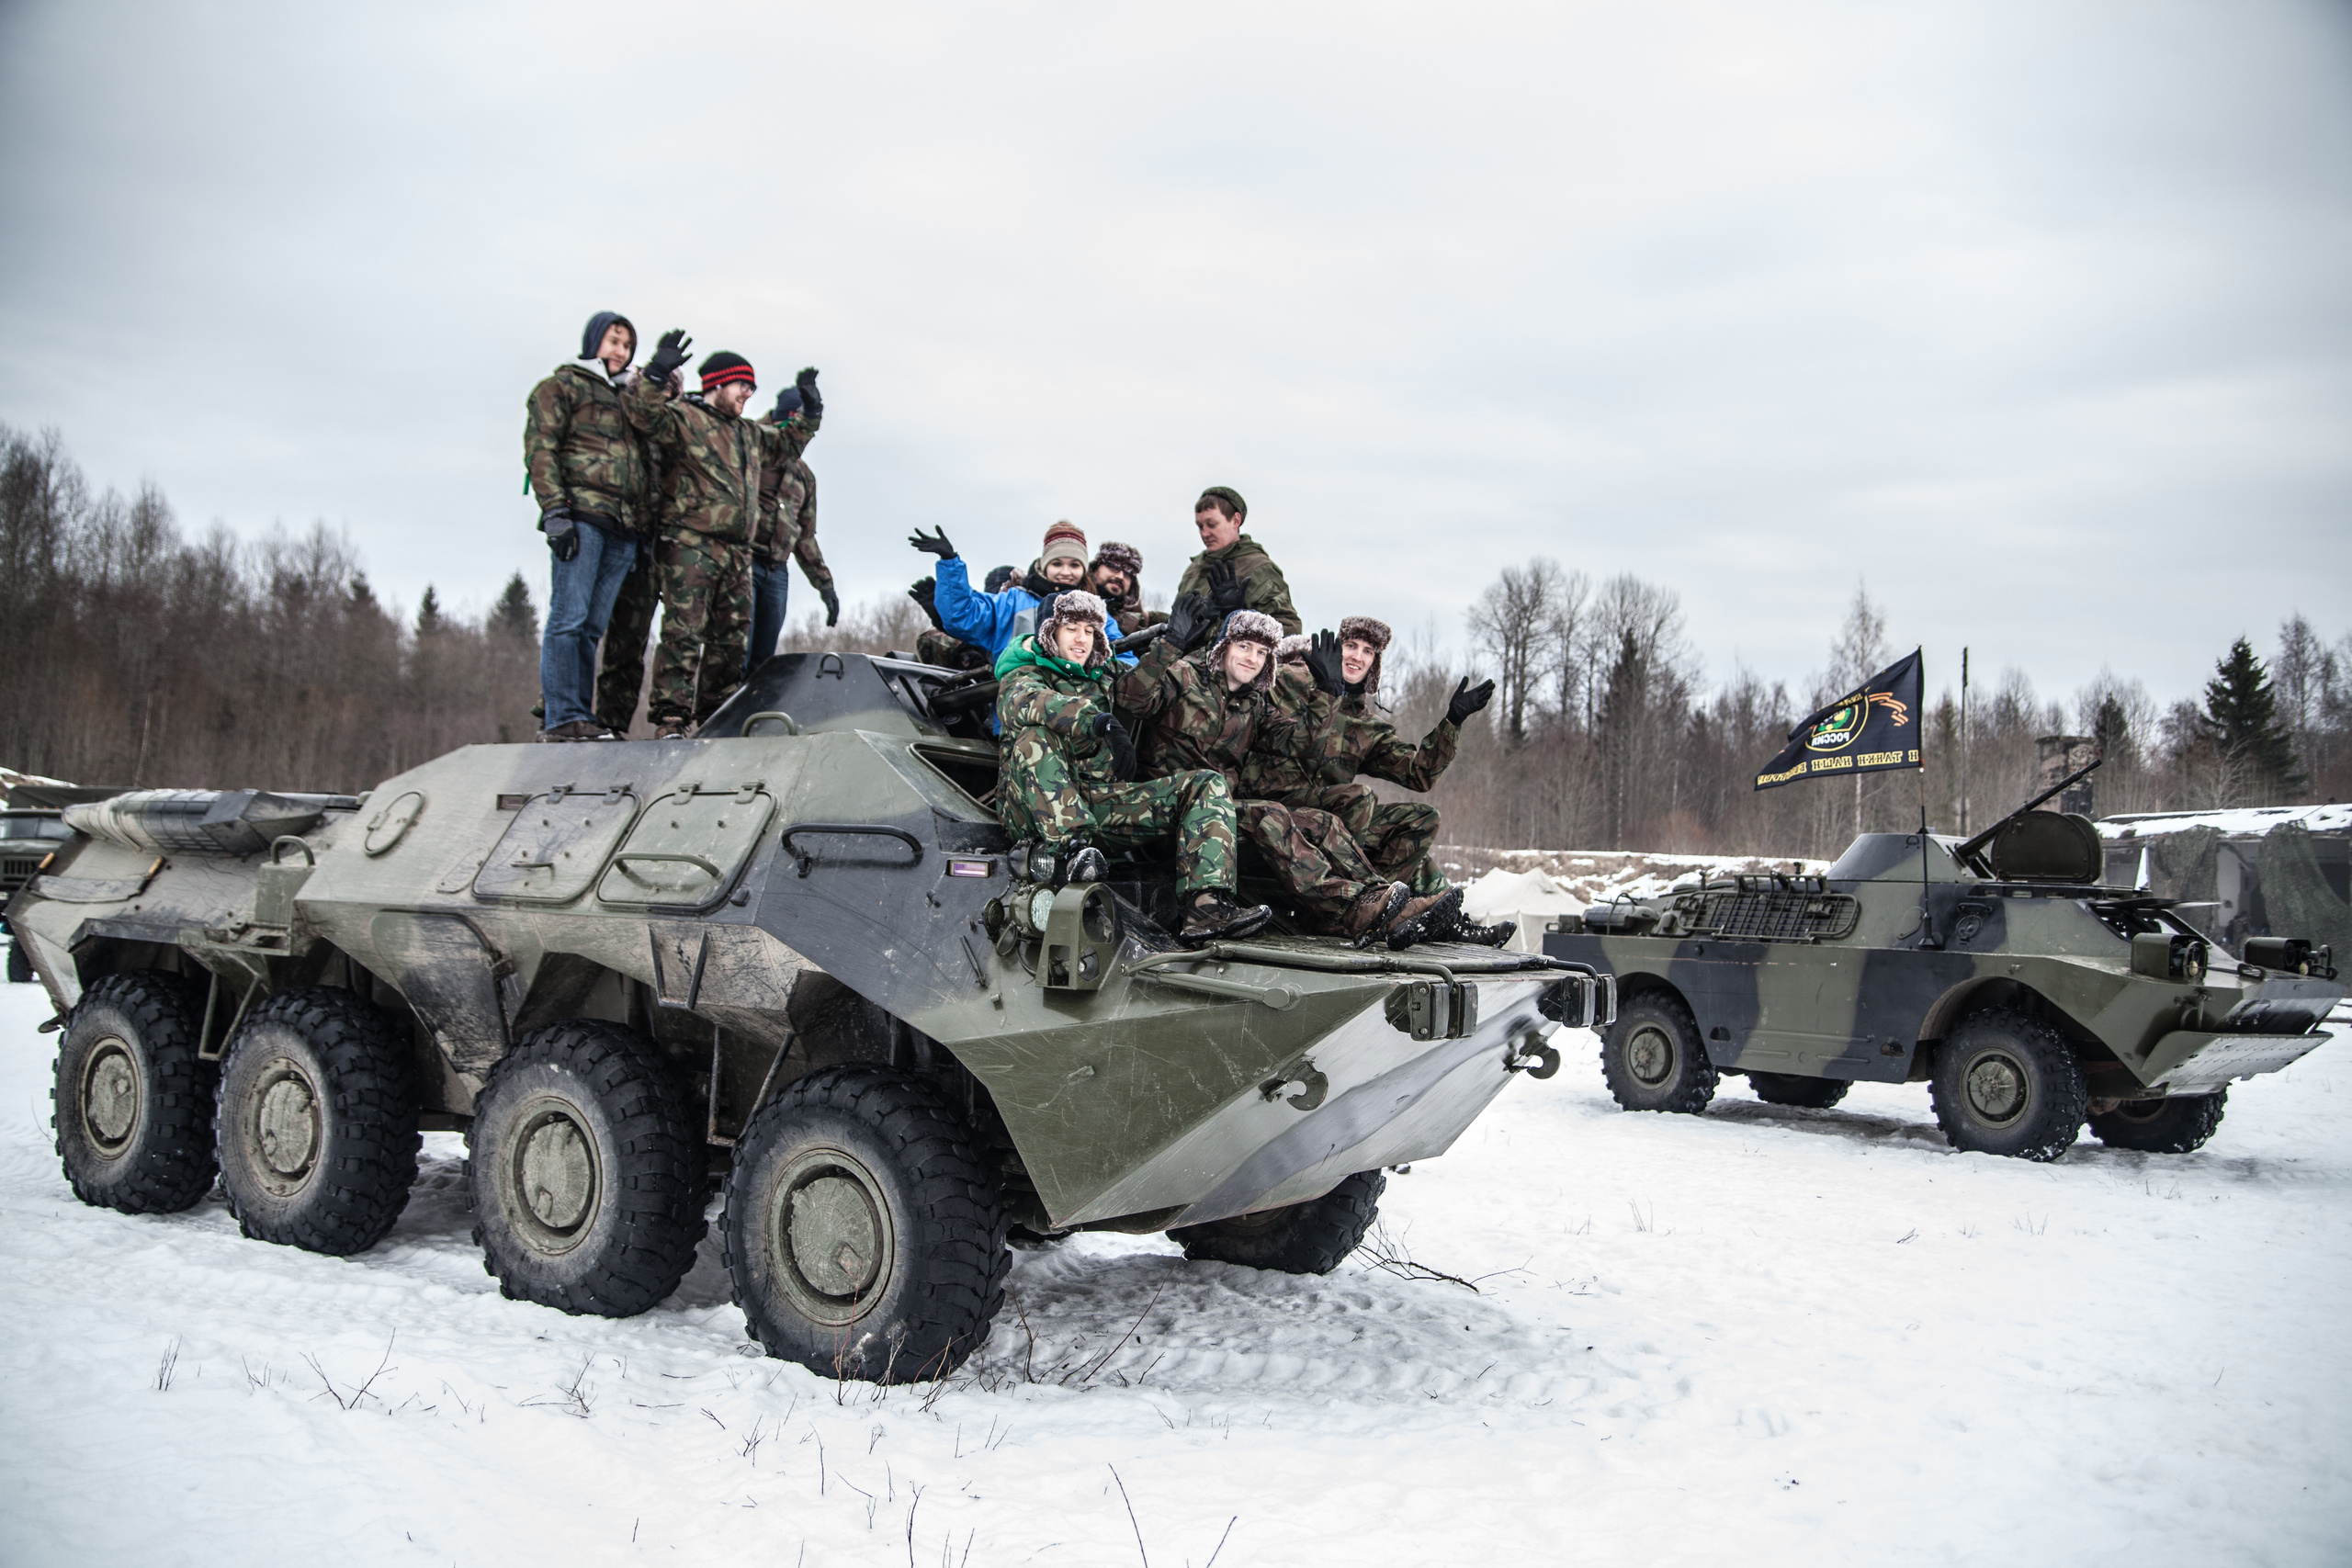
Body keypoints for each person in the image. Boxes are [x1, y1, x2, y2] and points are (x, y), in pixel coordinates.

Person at [1119, 599, 1458, 948]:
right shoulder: (1186, 677)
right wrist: (1170, 644)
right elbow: (1131, 700)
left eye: (1262, 653)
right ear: (1224, 647)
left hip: (1221, 812)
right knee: (1272, 814)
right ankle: (1348, 905)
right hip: (1172, 811)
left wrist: (1327, 694)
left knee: (1322, 822)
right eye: (1244, 646)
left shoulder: (1254, 705)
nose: (1252, 658)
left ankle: (1379, 901)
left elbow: (1301, 743)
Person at [994, 590, 1271, 944]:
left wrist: (1178, 642)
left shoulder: (1104, 672)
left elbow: (1140, 688)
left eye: (1090, 631)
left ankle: (1206, 907)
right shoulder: (1023, 672)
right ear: (1051, 633)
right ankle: (1073, 852)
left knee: (1205, 784)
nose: (1081, 639)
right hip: (1033, 812)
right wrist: (1097, 721)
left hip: (1096, 805)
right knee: (1035, 738)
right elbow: (1022, 704)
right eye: (1071, 628)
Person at [1247, 615, 1506, 943]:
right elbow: (1245, 697)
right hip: (1275, 806)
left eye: (1368, 651)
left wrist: (1452, 721)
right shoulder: (1288, 682)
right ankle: (1351, 907)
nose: (1357, 656)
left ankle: (1393, 910)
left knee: (1421, 820)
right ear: (1336, 648)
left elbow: (1419, 772)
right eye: (1351, 646)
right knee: (1358, 797)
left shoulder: (1366, 724)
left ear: (1375, 663)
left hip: (1335, 820)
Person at [622, 333, 805, 738]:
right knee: (684, 632)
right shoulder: (686, 418)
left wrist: (811, 411)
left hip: (738, 551)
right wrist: (655, 371)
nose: (748, 395)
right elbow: (644, 415)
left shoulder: (747, 433)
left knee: (730, 640)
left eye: (752, 389)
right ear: (719, 384)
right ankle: (671, 718)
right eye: (743, 386)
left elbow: (786, 445)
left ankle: (716, 717)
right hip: (691, 543)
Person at [525, 310, 652, 740]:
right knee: (569, 618)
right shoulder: (561, 386)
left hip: (622, 528)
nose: (621, 352)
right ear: (594, 341)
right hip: (581, 518)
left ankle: (580, 715)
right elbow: (541, 448)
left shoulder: (627, 400)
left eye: (629, 346)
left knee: (593, 628)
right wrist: (555, 511)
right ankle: (562, 716)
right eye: (615, 341)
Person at [910, 519, 1127, 666]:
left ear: (1083, 569)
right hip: (1015, 714)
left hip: (1077, 716)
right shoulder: (1013, 601)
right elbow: (963, 616)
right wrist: (950, 563)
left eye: (1074, 565)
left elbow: (1122, 654)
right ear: (1044, 565)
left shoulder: (1096, 611)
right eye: (1057, 563)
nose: (1065, 572)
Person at [743, 378, 838, 681]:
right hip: (741, 562)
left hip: (776, 572)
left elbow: (805, 536)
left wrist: (825, 586)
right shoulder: (747, 448)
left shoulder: (803, 477)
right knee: (734, 649)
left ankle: (752, 720)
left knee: (763, 659)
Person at [1174, 486, 1300, 636]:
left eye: (1212, 524)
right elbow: (1175, 623)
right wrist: (1148, 617)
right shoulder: (1194, 568)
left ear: (1235, 520)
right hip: (1179, 656)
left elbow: (1290, 628)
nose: (1204, 533)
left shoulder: (1257, 568)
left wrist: (1237, 617)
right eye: (1200, 526)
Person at [1088, 541, 1161, 630]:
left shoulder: (1138, 624)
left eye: (1128, 573)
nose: (1120, 576)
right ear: (1095, 568)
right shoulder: (1069, 600)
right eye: (1114, 567)